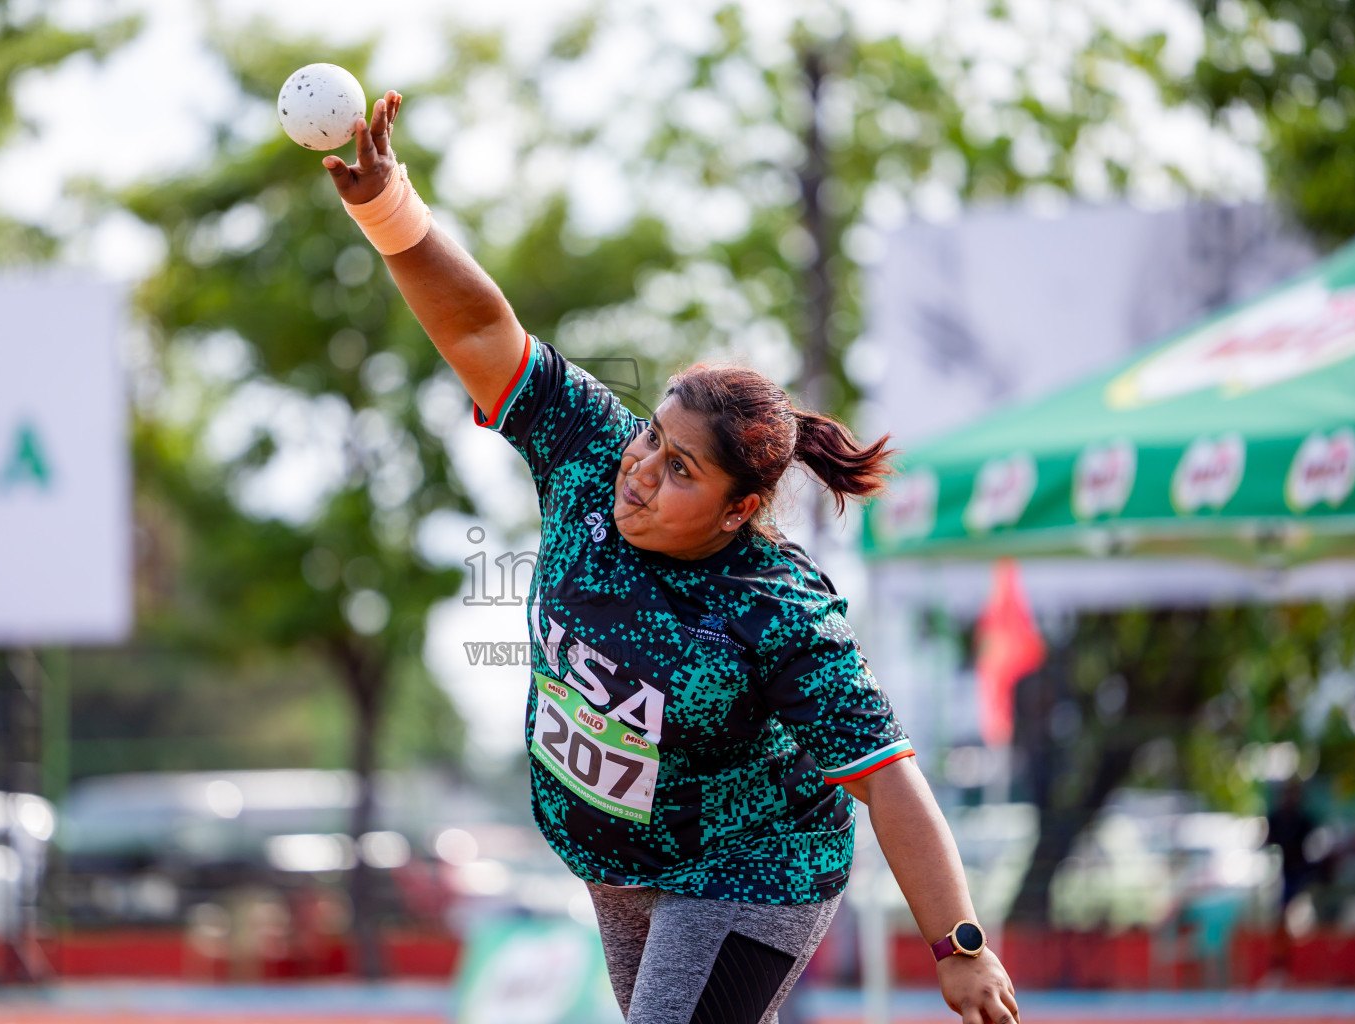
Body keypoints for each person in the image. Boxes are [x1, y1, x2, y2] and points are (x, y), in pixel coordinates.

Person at [322, 90, 1020, 1024]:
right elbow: (483, 332)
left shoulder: (776, 611)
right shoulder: (587, 451)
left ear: (739, 510)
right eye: (654, 438)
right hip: (624, 868)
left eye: (680, 469)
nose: (643, 471)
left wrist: (958, 944)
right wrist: (386, 206)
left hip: (751, 870)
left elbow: (887, 776)